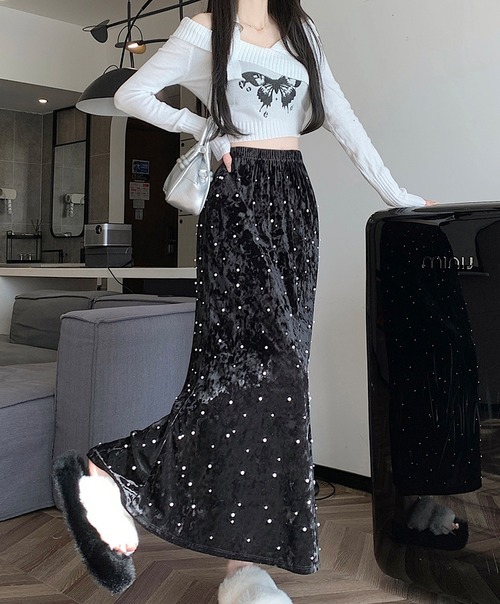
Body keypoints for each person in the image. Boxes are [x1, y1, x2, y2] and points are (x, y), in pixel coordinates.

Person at [53, 0, 436, 600]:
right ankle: (114, 469)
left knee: (276, 381)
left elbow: (341, 115)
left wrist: (398, 194)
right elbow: (132, 94)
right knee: (248, 370)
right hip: (237, 200)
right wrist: (203, 128)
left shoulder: (302, 30)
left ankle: (242, 568)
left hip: (295, 202)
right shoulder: (205, 29)